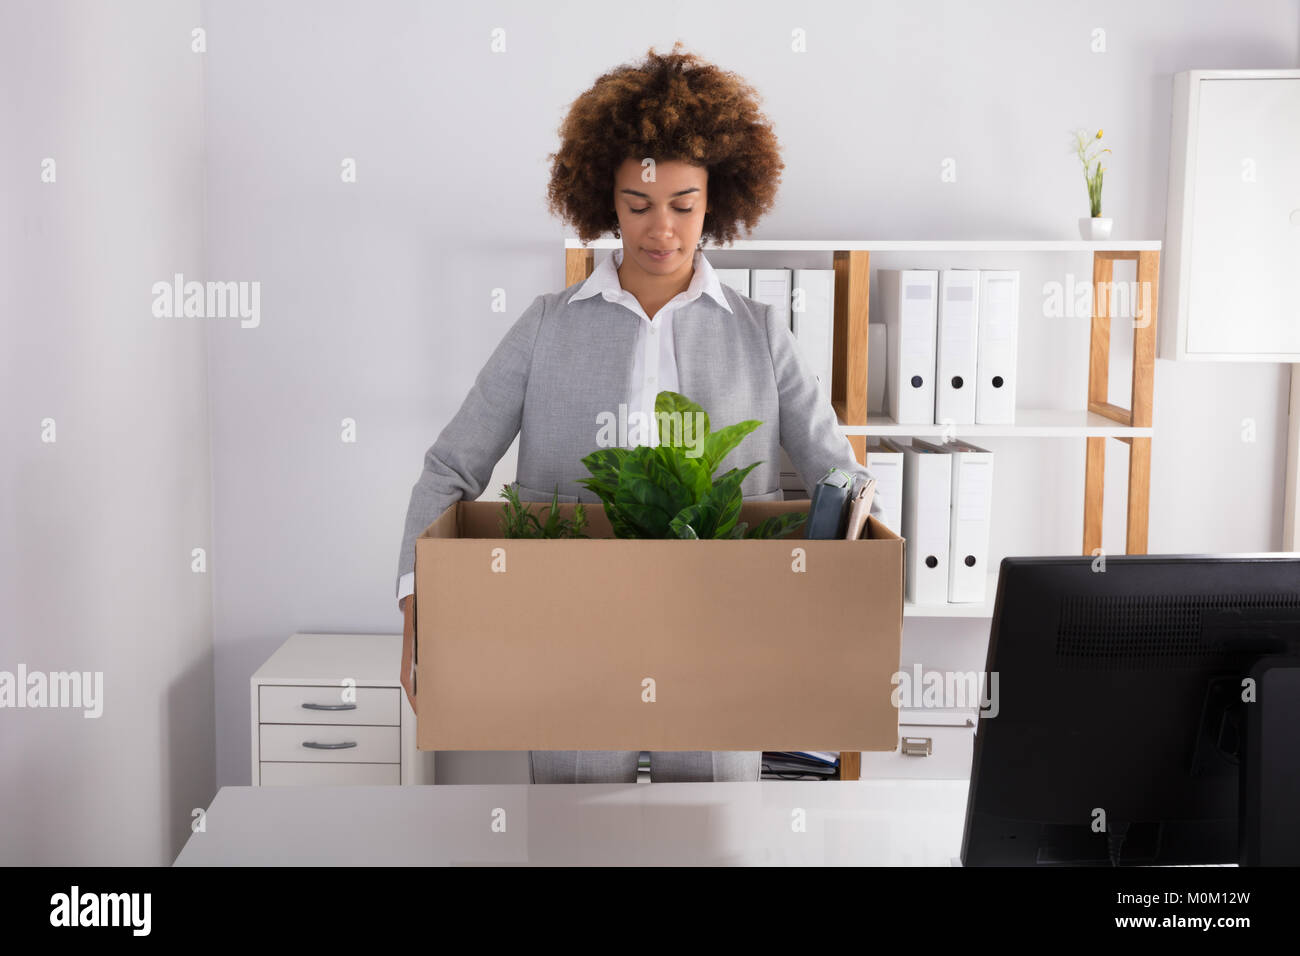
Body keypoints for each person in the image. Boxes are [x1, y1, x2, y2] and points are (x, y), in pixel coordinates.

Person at [395, 41, 882, 785]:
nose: (662, 230)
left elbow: (839, 478)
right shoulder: (546, 326)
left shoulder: (760, 332)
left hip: (724, 636)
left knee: (711, 835)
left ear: (715, 199)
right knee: (571, 839)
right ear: (605, 202)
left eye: (684, 206)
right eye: (638, 205)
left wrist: (850, 590)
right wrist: (416, 603)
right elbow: (450, 468)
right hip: (569, 635)